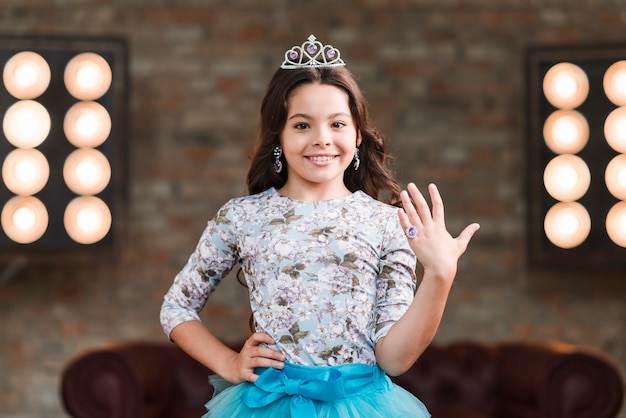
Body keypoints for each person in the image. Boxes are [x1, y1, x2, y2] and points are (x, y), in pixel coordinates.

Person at [160, 34, 479, 417]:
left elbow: (393, 360)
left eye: (337, 124)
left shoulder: (386, 223)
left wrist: (440, 274)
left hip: (365, 406)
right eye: (302, 125)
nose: (322, 139)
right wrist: (228, 363)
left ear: (357, 136)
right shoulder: (242, 217)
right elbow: (176, 307)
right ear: (278, 134)